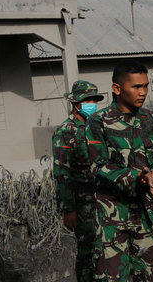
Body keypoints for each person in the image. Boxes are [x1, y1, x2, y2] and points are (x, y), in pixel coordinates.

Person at [86, 59, 153, 282]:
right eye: (136, 86)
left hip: (145, 213)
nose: (143, 92)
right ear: (117, 88)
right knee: (115, 276)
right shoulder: (99, 122)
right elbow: (98, 165)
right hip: (113, 217)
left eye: (145, 86)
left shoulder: (150, 119)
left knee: (150, 275)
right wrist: (136, 176)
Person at [52, 80, 105, 282]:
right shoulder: (66, 131)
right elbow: (62, 172)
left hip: (103, 199)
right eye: (88, 100)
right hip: (83, 204)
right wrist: (68, 209)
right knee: (87, 251)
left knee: (106, 250)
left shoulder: (97, 127)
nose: (92, 104)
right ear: (76, 103)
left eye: (94, 100)